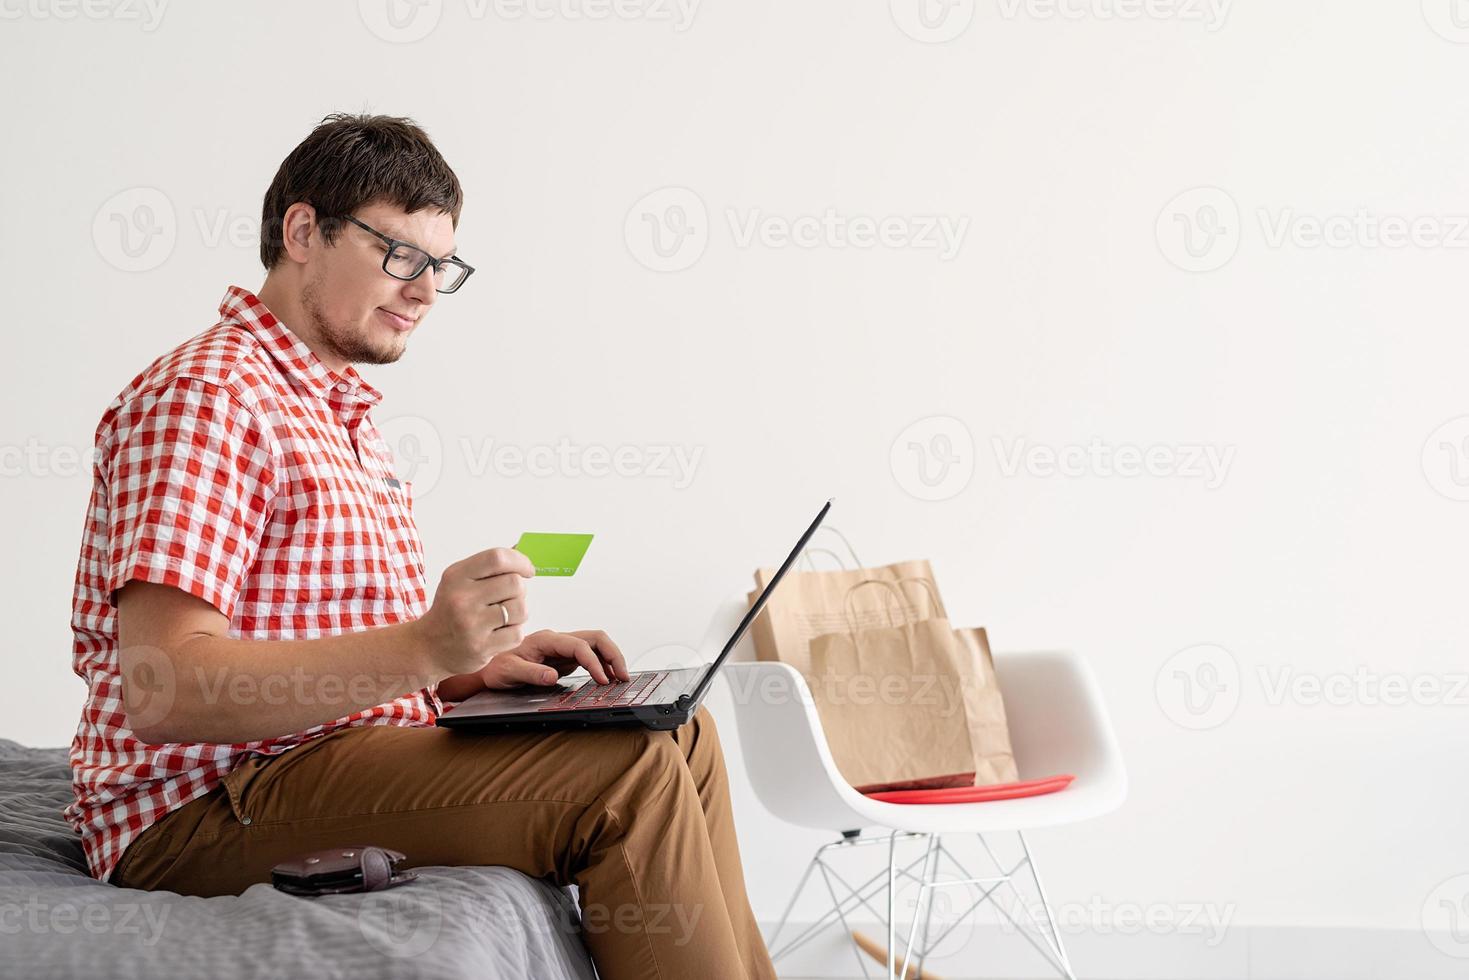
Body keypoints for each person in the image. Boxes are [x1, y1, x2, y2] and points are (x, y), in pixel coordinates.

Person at [65, 112, 777, 980]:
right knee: (629, 775)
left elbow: (309, 649)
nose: (425, 289)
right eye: (400, 254)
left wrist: (461, 674)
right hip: (201, 806)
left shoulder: (336, 409)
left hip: (310, 760)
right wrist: (422, 645)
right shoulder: (210, 399)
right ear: (302, 232)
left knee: (682, 735)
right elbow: (165, 687)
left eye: (442, 266)